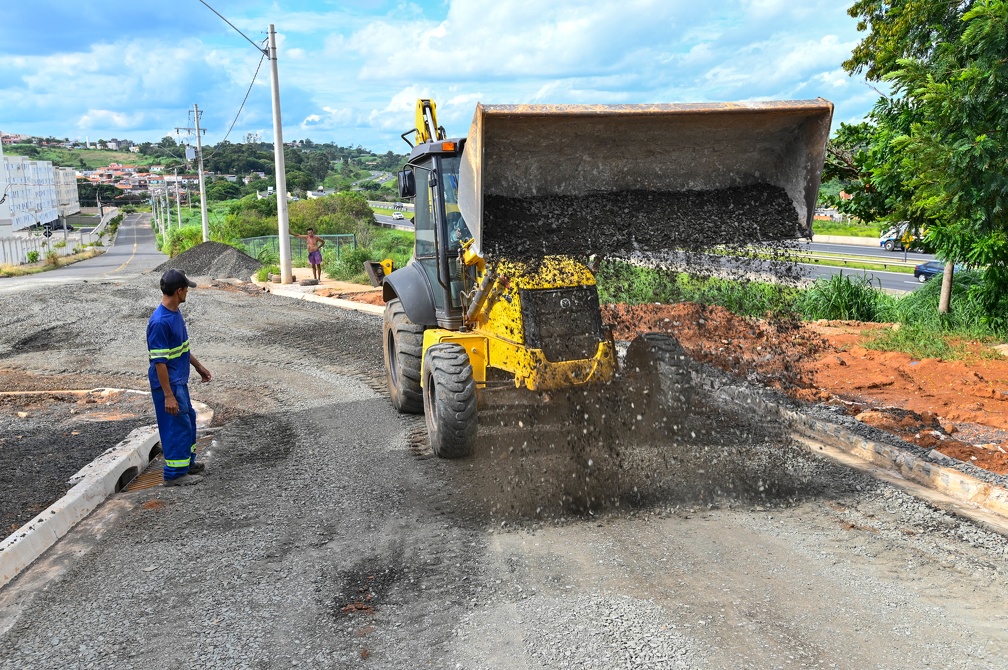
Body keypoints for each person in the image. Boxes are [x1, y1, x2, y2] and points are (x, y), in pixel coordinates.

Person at [147, 269, 212, 486]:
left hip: (178, 380)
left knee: (187, 421)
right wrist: (168, 395)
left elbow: (182, 348)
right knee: (175, 426)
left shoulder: (175, 313)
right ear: (179, 291)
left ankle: (187, 464)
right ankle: (174, 475)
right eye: (186, 289)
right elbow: (159, 362)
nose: (187, 292)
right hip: (169, 384)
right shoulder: (159, 322)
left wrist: (198, 366)